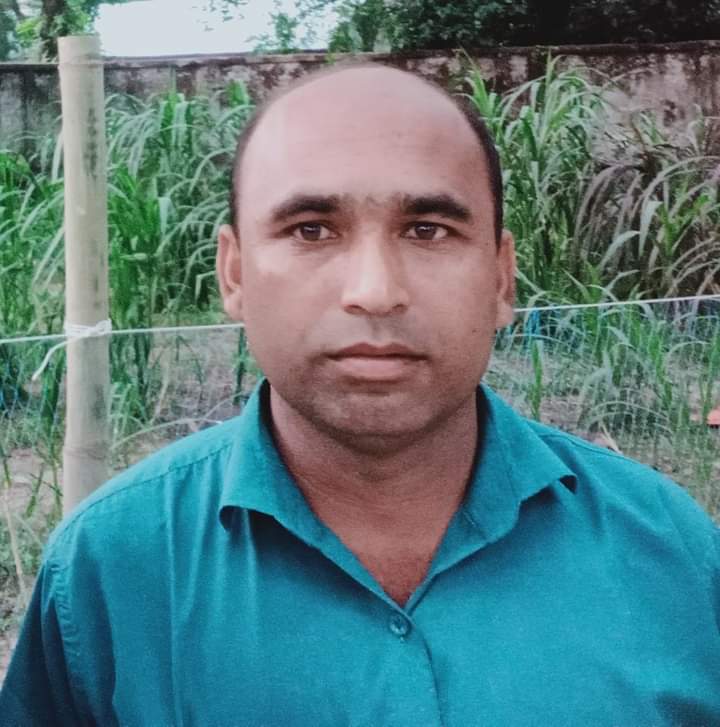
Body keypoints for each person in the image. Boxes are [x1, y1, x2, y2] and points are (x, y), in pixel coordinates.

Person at [2, 62, 719, 725]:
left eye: (428, 230)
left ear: (501, 279)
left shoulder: (672, 552)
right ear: (234, 275)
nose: (375, 291)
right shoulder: (110, 573)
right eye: (311, 229)